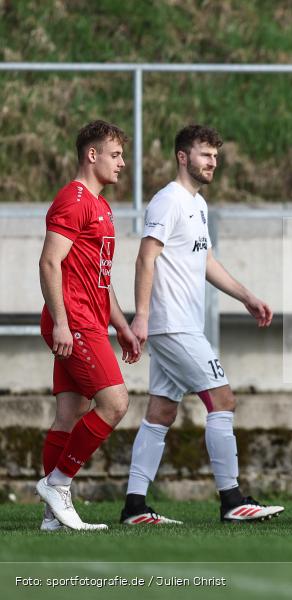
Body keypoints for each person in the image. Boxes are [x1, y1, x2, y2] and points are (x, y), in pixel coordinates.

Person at [120, 125, 282, 524]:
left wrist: (246, 296)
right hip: (173, 325)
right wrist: (140, 315)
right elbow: (145, 259)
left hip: (180, 324)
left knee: (160, 411)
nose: (212, 162)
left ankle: (134, 506)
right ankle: (232, 500)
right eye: (205, 155)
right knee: (223, 400)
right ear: (182, 156)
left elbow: (206, 261)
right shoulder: (167, 201)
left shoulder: (199, 204)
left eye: (215, 156)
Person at [37, 120, 141, 531]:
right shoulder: (73, 200)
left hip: (90, 318)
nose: (122, 163)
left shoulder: (102, 206)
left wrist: (123, 325)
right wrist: (62, 323)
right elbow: (49, 262)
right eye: (115, 155)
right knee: (115, 403)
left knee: (69, 414)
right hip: (74, 320)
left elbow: (101, 276)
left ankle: (52, 516)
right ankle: (58, 484)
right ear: (91, 155)